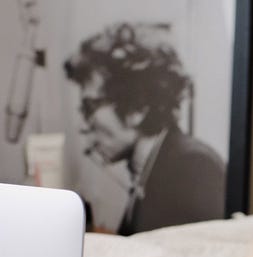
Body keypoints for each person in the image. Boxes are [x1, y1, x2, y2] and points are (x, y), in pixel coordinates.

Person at [64, 22, 226, 235]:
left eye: (90, 107)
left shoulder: (192, 166)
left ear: (137, 108)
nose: (83, 125)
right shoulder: (149, 171)